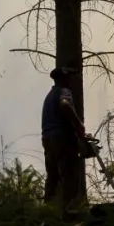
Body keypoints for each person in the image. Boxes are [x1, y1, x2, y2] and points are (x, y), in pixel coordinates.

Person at [41, 67, 86, 213]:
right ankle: (69, 211)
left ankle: (48, 211)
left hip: (48, 139)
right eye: (69, 77)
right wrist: (78, 124)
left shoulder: (49, 95)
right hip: (63, 139)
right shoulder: (64, 91)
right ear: (64, 79)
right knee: (69, 175)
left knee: (52, 176)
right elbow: (65, 104)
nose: (71, 80)